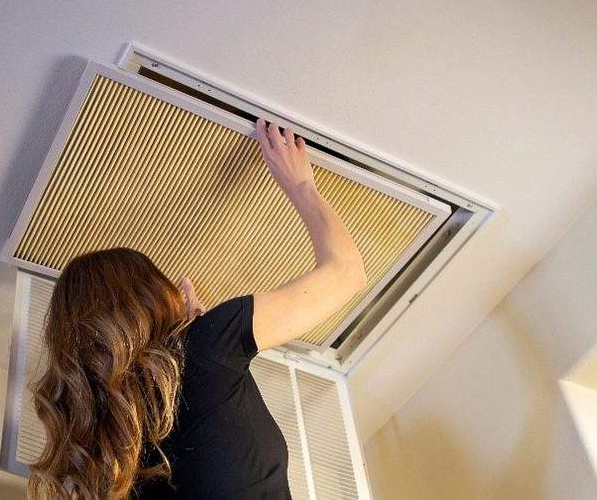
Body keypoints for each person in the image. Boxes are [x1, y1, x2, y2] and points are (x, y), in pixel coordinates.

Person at [27, 118, 368, 499]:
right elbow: (347, 273)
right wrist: (301, 185)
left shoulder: (120, 463)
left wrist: (199, 349)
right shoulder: (206, 349)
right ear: (151, 297)